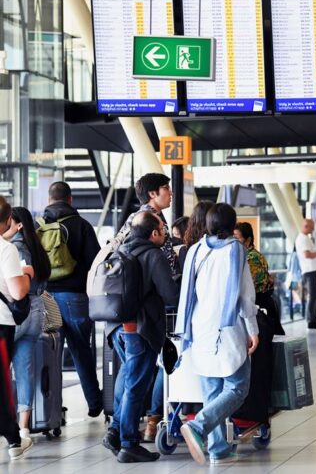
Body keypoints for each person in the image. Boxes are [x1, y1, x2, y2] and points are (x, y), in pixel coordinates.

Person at [176, 203, 259, 466]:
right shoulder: (236, 250)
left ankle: (218, 449)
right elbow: (245, 295)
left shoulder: (196, 250)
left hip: (200, 327)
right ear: (231, 224)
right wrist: (253, 329)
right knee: (237, 387)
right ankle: (199, 426)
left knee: (212, 390)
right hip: (228, 327)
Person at [102, 212, 179, 463]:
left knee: (128, 380)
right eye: (162, 230)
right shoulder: (153, 255)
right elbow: (170, 295)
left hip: (115, 328)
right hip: (139, 329)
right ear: (153, 233)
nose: (165, 234)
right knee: (136, 386)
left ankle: (115, 432)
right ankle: (128, 444)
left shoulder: (120, 250)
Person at [40, 181, 103, 417]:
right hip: (75, 297)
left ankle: (53, 408)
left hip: (46, 296)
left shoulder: (39, 226)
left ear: (49, 199)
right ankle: (95, 402)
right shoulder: (81, 225)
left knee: (50, 352)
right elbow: (96, 263)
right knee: (80, 350)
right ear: (70, 199)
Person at [6, 207, 51, 443]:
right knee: (24, 371)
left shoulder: (16, 247)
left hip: (18, 312)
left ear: (19, 224)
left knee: (6, 370)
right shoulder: (36, 246)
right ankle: (23, 428)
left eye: (7, 222)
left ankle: (9, 425)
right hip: (37, 312)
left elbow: (18, 288)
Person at [0, 199, 35, 459]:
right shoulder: (6, 250)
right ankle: (14, 439)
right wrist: (28, 274)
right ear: (9, 218)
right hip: (1, 323)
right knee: (2, 383)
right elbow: (17, 291)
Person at [114, 173, 180, 281]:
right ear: (152, 193)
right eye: (166, 188)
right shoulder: (148, 219)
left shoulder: (137, 216)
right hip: (152, 283)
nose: (171, 193)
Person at [296, 219, 316, 330]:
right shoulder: (302, 239)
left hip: (313, 271)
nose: (313, 229)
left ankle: (313, 319)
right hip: (309, 272)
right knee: (314, 297)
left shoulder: (306, 238)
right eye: (312, 227)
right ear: (306, 226)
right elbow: (306, 255)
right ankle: (310, 321)